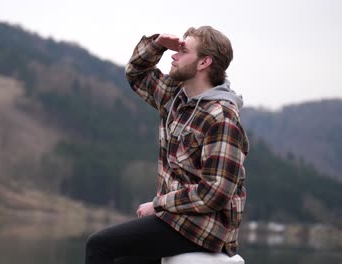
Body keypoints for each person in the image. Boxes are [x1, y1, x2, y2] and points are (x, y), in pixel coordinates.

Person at [85, 26, 250, 264]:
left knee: (99, 245)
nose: (174, 55)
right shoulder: (175, 99)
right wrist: (158, 44)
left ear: (204, 62)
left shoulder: (221, 118)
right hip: (174, 220)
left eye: (183, 51)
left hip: (204, 227)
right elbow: (136, 74)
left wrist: (158, 205)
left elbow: (216, 193)